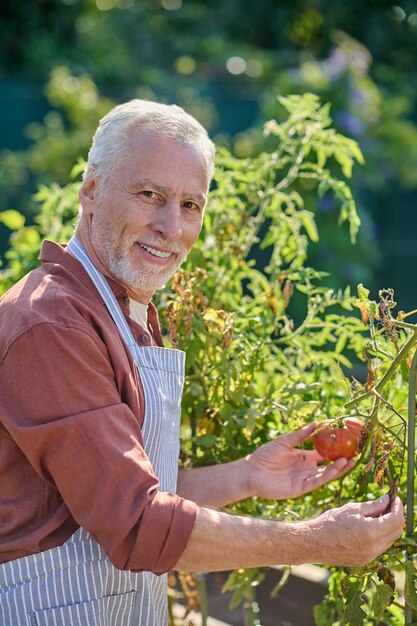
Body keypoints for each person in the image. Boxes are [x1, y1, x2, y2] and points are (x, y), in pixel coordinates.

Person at [0, 99, 404, 626]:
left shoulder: (119, 307)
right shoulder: (52, 325)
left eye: (191, 205)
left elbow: (120, 487)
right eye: (151, 195)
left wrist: (248, 475)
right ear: (91, 190)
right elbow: (139, 524)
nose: (172, 227)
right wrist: (319, 540)